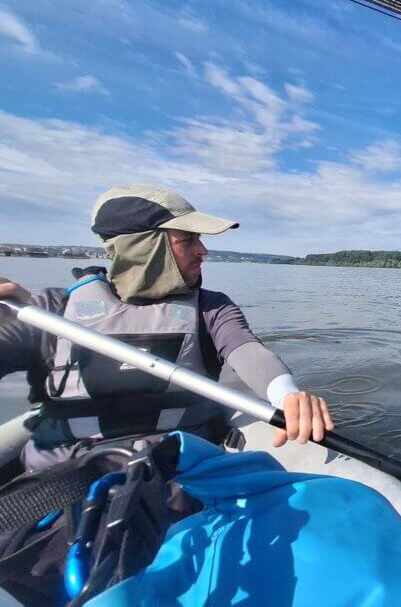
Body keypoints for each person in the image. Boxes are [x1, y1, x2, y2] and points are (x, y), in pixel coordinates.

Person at [0, 185, 333, 471]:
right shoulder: (47, 311)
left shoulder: (211, 308)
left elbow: (246, 350)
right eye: (188, 240)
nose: (203, 251)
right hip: (64, 477)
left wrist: (288, 395)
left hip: (178, 471)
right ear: (143, 247)